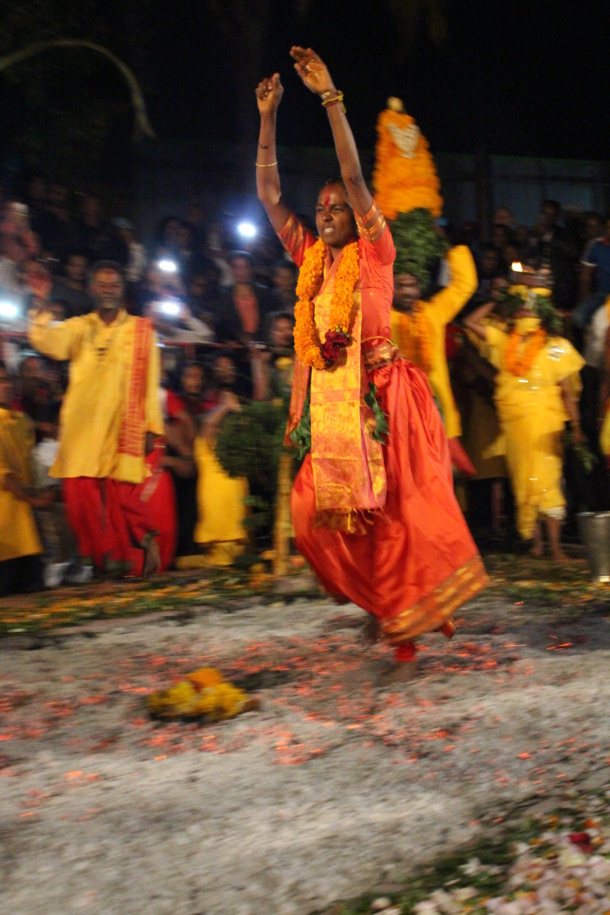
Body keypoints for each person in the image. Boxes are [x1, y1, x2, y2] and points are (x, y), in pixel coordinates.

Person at [255, 47, 487, 682]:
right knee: (311, 513)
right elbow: (270, 195)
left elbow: (358, 181)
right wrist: (269, 118)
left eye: (336, 206)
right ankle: (376, 601)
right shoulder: (309, 261)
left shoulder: (376, 251)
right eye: (322, 206)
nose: (327, 211)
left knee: (392, 518)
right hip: (336, 404)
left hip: (386, 397)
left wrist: (331, 99)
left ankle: (403, 632)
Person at [27, 261, 169, 578]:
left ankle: (128, 556)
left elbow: (150, 381)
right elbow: (46, 342)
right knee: (79, 502)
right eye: (102, 285)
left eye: (114, 284)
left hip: (123, 427)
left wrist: (152, 428)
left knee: (122, 498)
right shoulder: (79, 327)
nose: (108, 290)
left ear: (122, 290)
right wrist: (39, 302)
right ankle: (104, 560)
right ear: (92, 289)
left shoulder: (141, 330)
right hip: (82, 431)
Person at [464, 272, 585, 560]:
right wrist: (496, 299)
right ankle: (538, 544)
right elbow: (470, 323)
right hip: (517, 424)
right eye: (521, 305)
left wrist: (577, 426)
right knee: (523, 479)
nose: (525, 310)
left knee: (548, 478)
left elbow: (567, 391)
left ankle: (555, 547)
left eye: (531, 306)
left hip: (546, 423)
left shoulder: (556, 347)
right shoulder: (506, 341)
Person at [0, 361, 49, 595]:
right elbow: (5, 476)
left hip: (27, 530)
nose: (6, 386)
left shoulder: (23, 422)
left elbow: (34, 465)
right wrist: (36, 500)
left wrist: (44, 492)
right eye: (1, 381)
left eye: (7, 380)